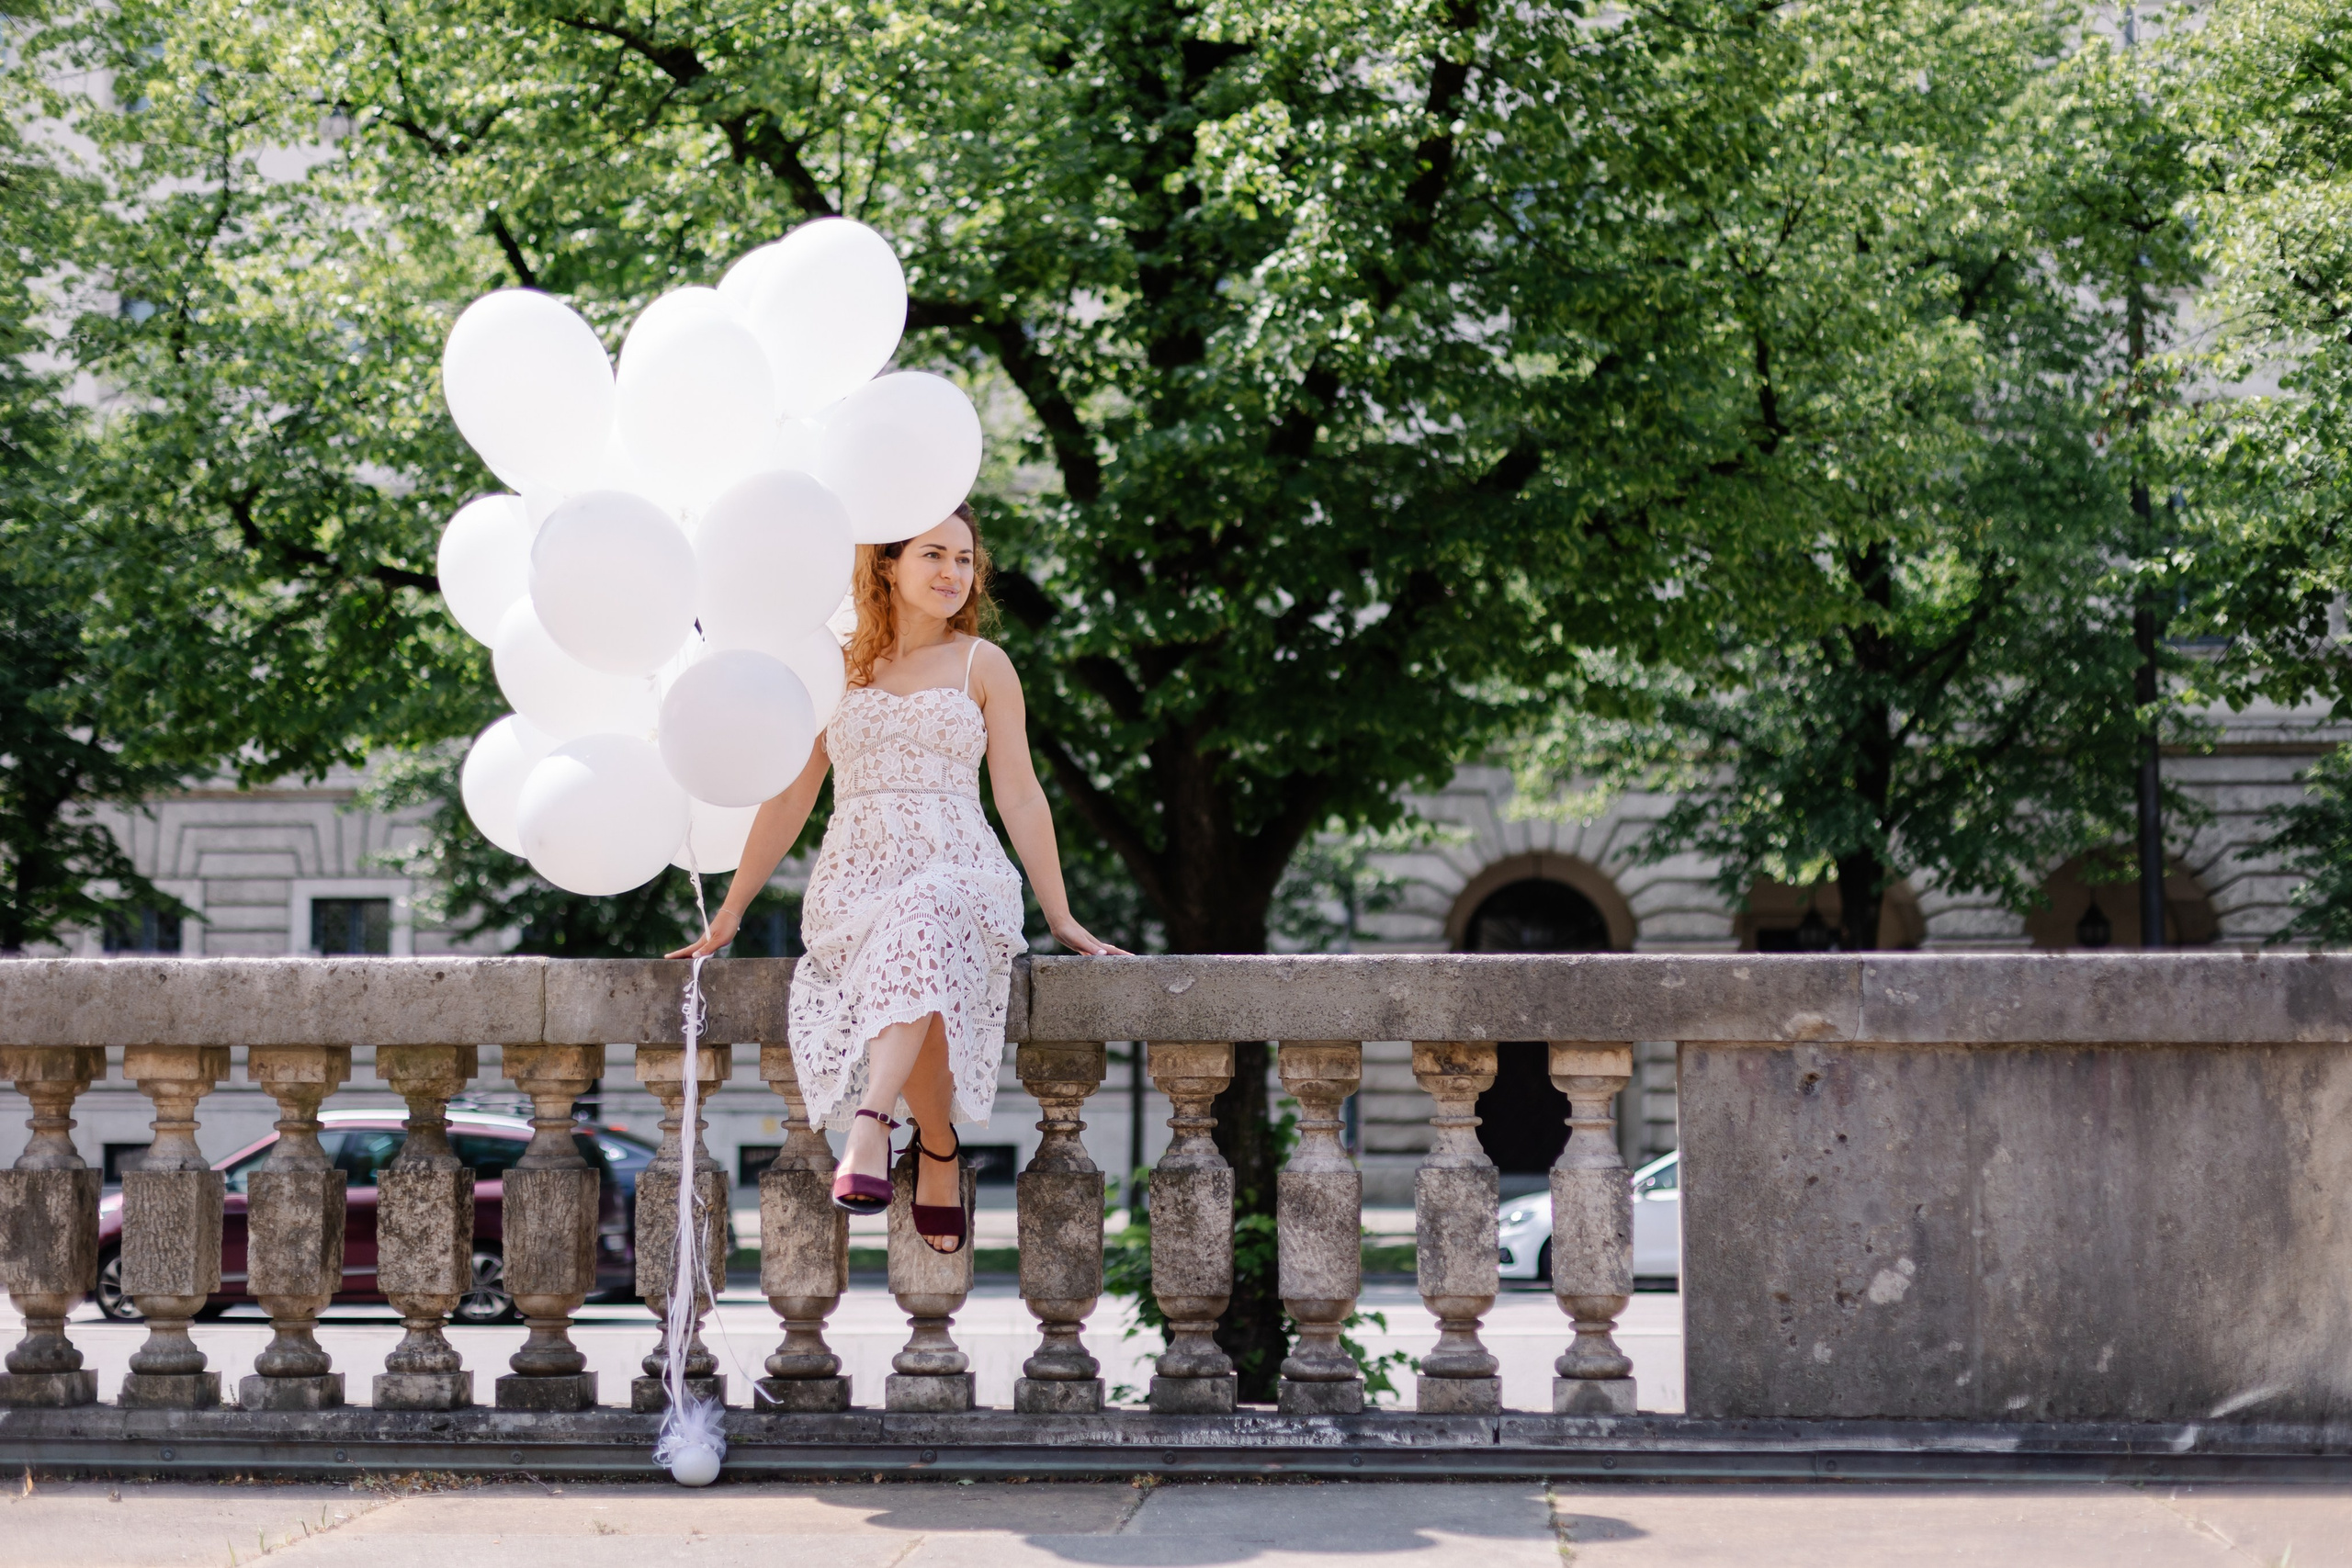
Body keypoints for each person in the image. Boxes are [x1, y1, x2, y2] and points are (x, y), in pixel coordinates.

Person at [668, 502, 1125, 1253]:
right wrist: (731, 909)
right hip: (857, 872)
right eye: (934, 555)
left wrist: (1062, 914)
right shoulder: (835, 664)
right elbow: (790, 794)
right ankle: (937, 1144)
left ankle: (873, 1120)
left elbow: (1018, 791)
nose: (953, 572)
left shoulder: (985, 664)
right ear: (886, 563)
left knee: (927, 904)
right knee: (910, 940)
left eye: (965, 559)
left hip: (963, 867)